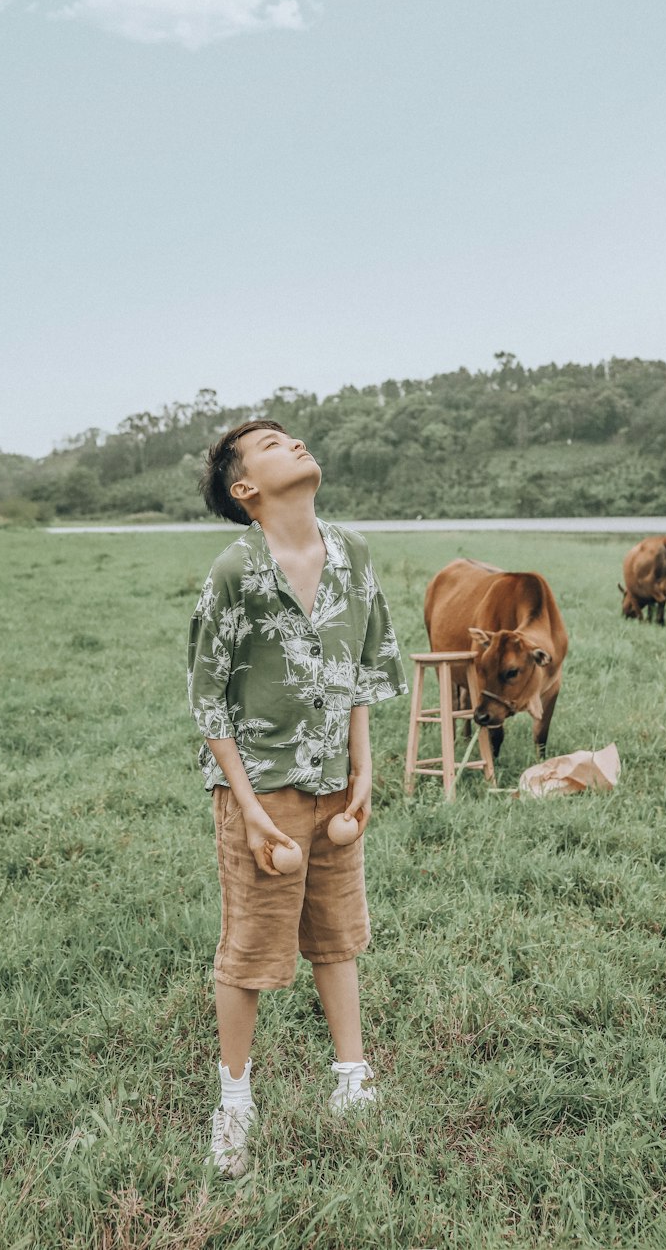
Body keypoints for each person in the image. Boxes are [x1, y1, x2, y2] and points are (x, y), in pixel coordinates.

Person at [187, 419, 408, 1177]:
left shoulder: (354, 554)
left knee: (338, 933)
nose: (295, 444)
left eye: (293, 436)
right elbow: (208, 702)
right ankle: (235, 1101)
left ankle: (352, 1079)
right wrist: (247, 812)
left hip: (335, 785)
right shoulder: (233, 573)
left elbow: (363, 669)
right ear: (245, 489)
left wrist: (365, 771)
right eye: (272, 445)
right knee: (250, 949)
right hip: (262, 788)